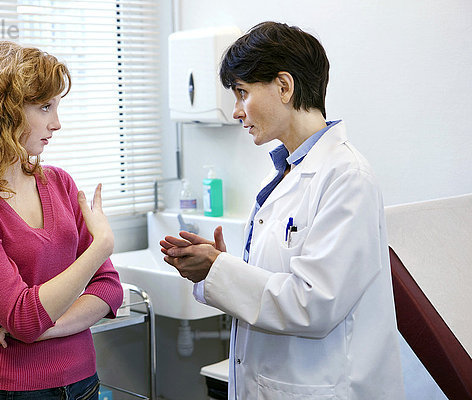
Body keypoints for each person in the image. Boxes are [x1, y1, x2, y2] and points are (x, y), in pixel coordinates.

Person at [160, 22, 405, 399]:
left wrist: (219, 269)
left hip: (325, 386)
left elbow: (313, 303)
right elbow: (275, 279)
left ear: (284, 86)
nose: (237, 112)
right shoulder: (282, 173)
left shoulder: (346, 177)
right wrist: (221, 265)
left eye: (242, 93)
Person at [0, 41, 123, 399]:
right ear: (2, 111)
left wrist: (44, 328)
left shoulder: (59, 183)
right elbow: (22, 317)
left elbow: (108, 288)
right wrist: (100, 248)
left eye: (57, 107)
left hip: (83, 380)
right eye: (45, 107)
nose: (57, 123)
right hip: (9, 389)